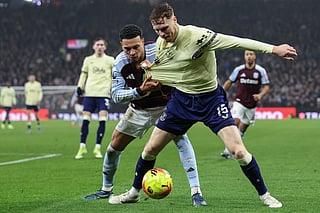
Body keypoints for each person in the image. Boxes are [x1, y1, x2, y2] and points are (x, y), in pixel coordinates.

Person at [109, 2, 297, 208]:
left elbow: (236, 42)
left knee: (239, 152)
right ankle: (134, 192)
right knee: (150, 150)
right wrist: (148, 72)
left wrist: (273, 49)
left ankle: (265, 195)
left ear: (175, 20)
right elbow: (166, 71)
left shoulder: (199, 36)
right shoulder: (162, 45)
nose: (162, 34)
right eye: (157, 30)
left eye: (165, 28)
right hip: (181, 101)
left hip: (210, 100)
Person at [84, 24, 207, 206]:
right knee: (113, 148)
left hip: (167, 107)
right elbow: (116, 95)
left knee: (181, 140)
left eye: (136, 47)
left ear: (142, 41)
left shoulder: (160, 50)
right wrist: (140, 90)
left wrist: (159, 72)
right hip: (139, 110)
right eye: (127, 49)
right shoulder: (120, 63)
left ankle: (196, 192)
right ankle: (106, 189)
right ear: (121, 46)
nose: (132, 52)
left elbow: (183, 71)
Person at [220, 50, 270, 159]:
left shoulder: (260, 71)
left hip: (252, 105)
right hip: (239, 101)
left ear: (255, 56)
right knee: (235, 122)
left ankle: (235, 148)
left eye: (251, 54)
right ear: (244, 56)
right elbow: (229, 82)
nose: (249, 56)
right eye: (247, 54)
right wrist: (221, 93)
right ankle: (228, 149)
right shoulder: (239, 70)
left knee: (242, 128)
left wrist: (260, 95)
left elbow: (266, 86)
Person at [75, 38, 114, 159]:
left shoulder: (110, 60)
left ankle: (97, 147)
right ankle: (82, 146)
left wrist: (113, 88)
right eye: (97, 44)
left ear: (105, 47)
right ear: (93, 46)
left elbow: (114, 75)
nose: (100, 47)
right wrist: (80, 86)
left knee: (102, 119)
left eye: (102, 45)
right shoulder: (88, 60)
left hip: (103, 93)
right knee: (85, 118)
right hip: (90, 92)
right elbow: (84, 74)